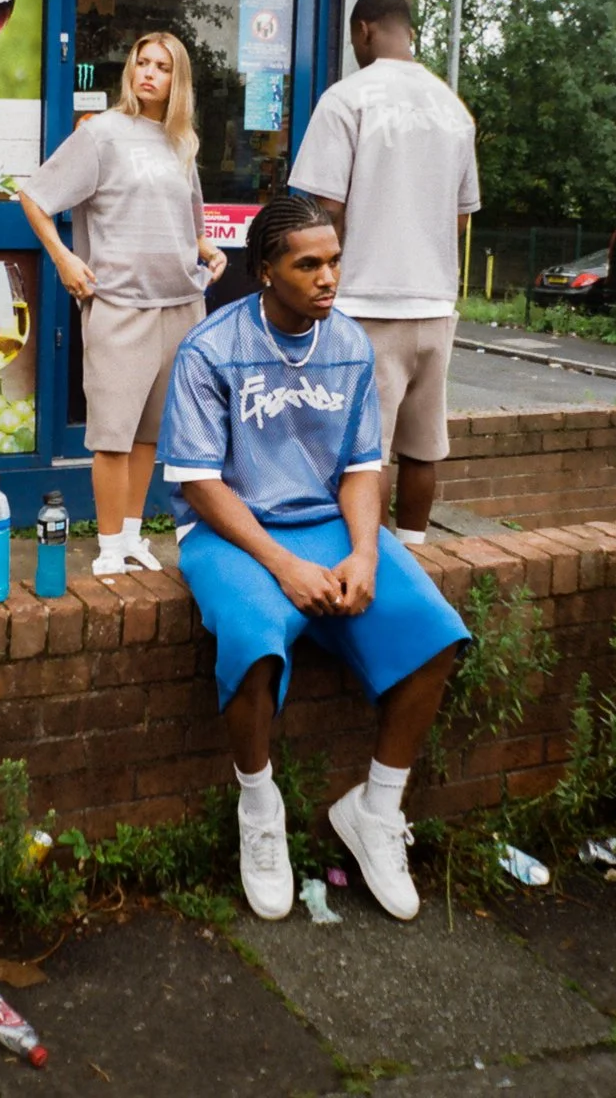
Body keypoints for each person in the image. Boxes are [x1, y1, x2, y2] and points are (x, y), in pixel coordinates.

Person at [157, 195, 469, 921]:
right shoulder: (210, 347)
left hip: (328, 525)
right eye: (308, 264)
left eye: (332, 261)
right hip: (231, 533)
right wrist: (282, 566)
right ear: (265, 271)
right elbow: (198, 483)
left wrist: (363, 551)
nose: (327, 277)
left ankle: (375, 811)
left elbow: (364, 465)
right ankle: (259, 815)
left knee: (433, 632)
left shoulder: (350, 343)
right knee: (254, 641)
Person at [19, 31, 227, 576]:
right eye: (142, 62)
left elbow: (189, 221)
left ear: (177, 79)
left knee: (150, 435)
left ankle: (133, 536)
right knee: (112, 434)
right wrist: (65, 259)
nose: (148, 73)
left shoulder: (183, 142)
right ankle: (109, 546)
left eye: (161, 66)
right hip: (120, 304)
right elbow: (35, 196)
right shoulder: (102, 135)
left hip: (181, 305)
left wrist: (207, 249)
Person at [290, 0, 480, 545]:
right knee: (423, 448)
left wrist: (318, 286)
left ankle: (361, 563)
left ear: (365, 30)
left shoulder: (349, 98)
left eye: (354, 37)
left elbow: (324, 215)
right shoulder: (453, 108)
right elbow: (462, 219)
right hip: (435, 308)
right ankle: (415, 558)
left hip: (365, 309)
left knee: (358, 453)